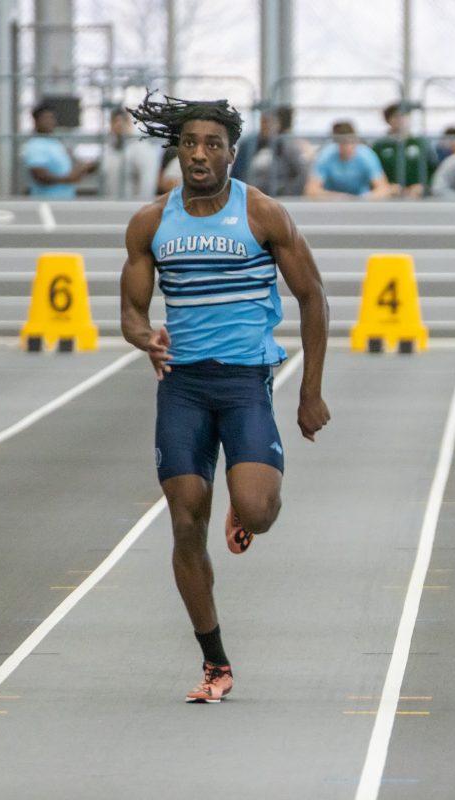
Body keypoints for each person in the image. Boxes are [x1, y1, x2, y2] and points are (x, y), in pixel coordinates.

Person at [119, 94, 331, 703]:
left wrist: (310, 392)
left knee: (259, 509)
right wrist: (145, 338)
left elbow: (313, 297)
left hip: (244, 383)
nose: (201, 155)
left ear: (233, 154)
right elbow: (131, 312)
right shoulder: (151, 223)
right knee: (186, 521)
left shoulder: (262, 214)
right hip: (182, 385)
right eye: (190, 144)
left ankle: (244, 508)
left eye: (213, 144)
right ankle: (215, 661)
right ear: (178, 152)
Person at [22, 102, 97, 198]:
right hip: (46, 201)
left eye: (52, 118)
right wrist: (68, 178)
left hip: (65, 199)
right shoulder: (35, 145)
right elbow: (39, 175)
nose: (50, 122)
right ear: (36, 121)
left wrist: (83, 168)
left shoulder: (55, 143)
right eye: (46, 118)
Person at [234, 106, 309, 197]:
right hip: (248, 196)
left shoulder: (288, 147)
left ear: (278, 124)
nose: (266, 126)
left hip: (280, 197)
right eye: (263, 122)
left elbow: (301, 176)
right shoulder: (248, 145)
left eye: (270, 122)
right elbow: (236, 174)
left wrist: (287, 194)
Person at [305, 120, 392, 199]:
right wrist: (339, 197)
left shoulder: (366, 155)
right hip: (333, 204)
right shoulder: (326, 156)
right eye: (342, 142)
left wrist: (363, 199)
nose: (346, 147)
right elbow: (311, 190)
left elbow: (383, 188)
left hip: (361, 202)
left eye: (350, 141)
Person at [373, 102, 439, 198]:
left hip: (418, 197)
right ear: (388, 120)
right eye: (396, 116)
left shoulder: (421, 143)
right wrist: (386, 187)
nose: (400, 120)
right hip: (389, 196)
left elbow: (434, 170)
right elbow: (373, 172)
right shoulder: (379, 146)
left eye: (404, 116)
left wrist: (424, 187)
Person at [100, 107, 161, 199]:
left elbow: (147, 184)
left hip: (133, 207)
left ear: (130, 123)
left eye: (124, 120)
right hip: (110, 206)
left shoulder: (142, 148)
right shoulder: (109, 151)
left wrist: (140, 207)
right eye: (115, 121)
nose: (119, 125)